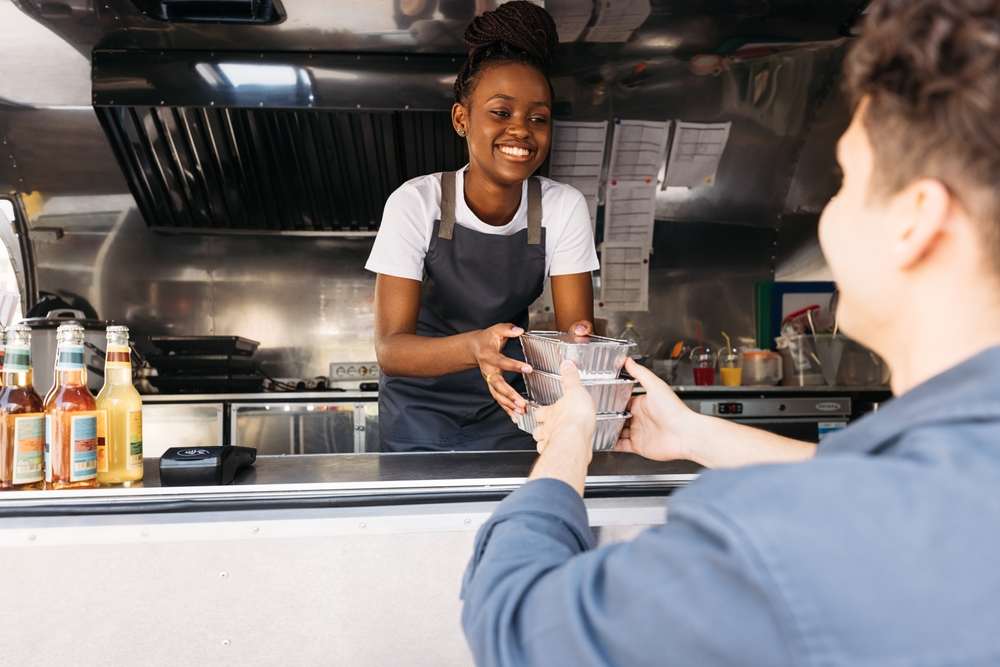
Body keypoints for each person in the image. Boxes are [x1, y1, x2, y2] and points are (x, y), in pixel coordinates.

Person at [461, 0, 1000, 663]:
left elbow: (519, 629)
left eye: (846, 184)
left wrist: (571, 437)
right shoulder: (951, 479)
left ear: (916, 220)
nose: (827, 218)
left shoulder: (771, 545)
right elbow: (885, 492)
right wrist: (694, 433)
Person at [366, 2, 599, 452]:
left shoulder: (561, 207)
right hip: (419, 416)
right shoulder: (417, 203)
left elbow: (576, 338)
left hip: (513, 409)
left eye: (538, 118)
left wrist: (583, 350)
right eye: (501, 112)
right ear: (461, 119)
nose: (522, 131)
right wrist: (475, 347)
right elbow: (391, 351)